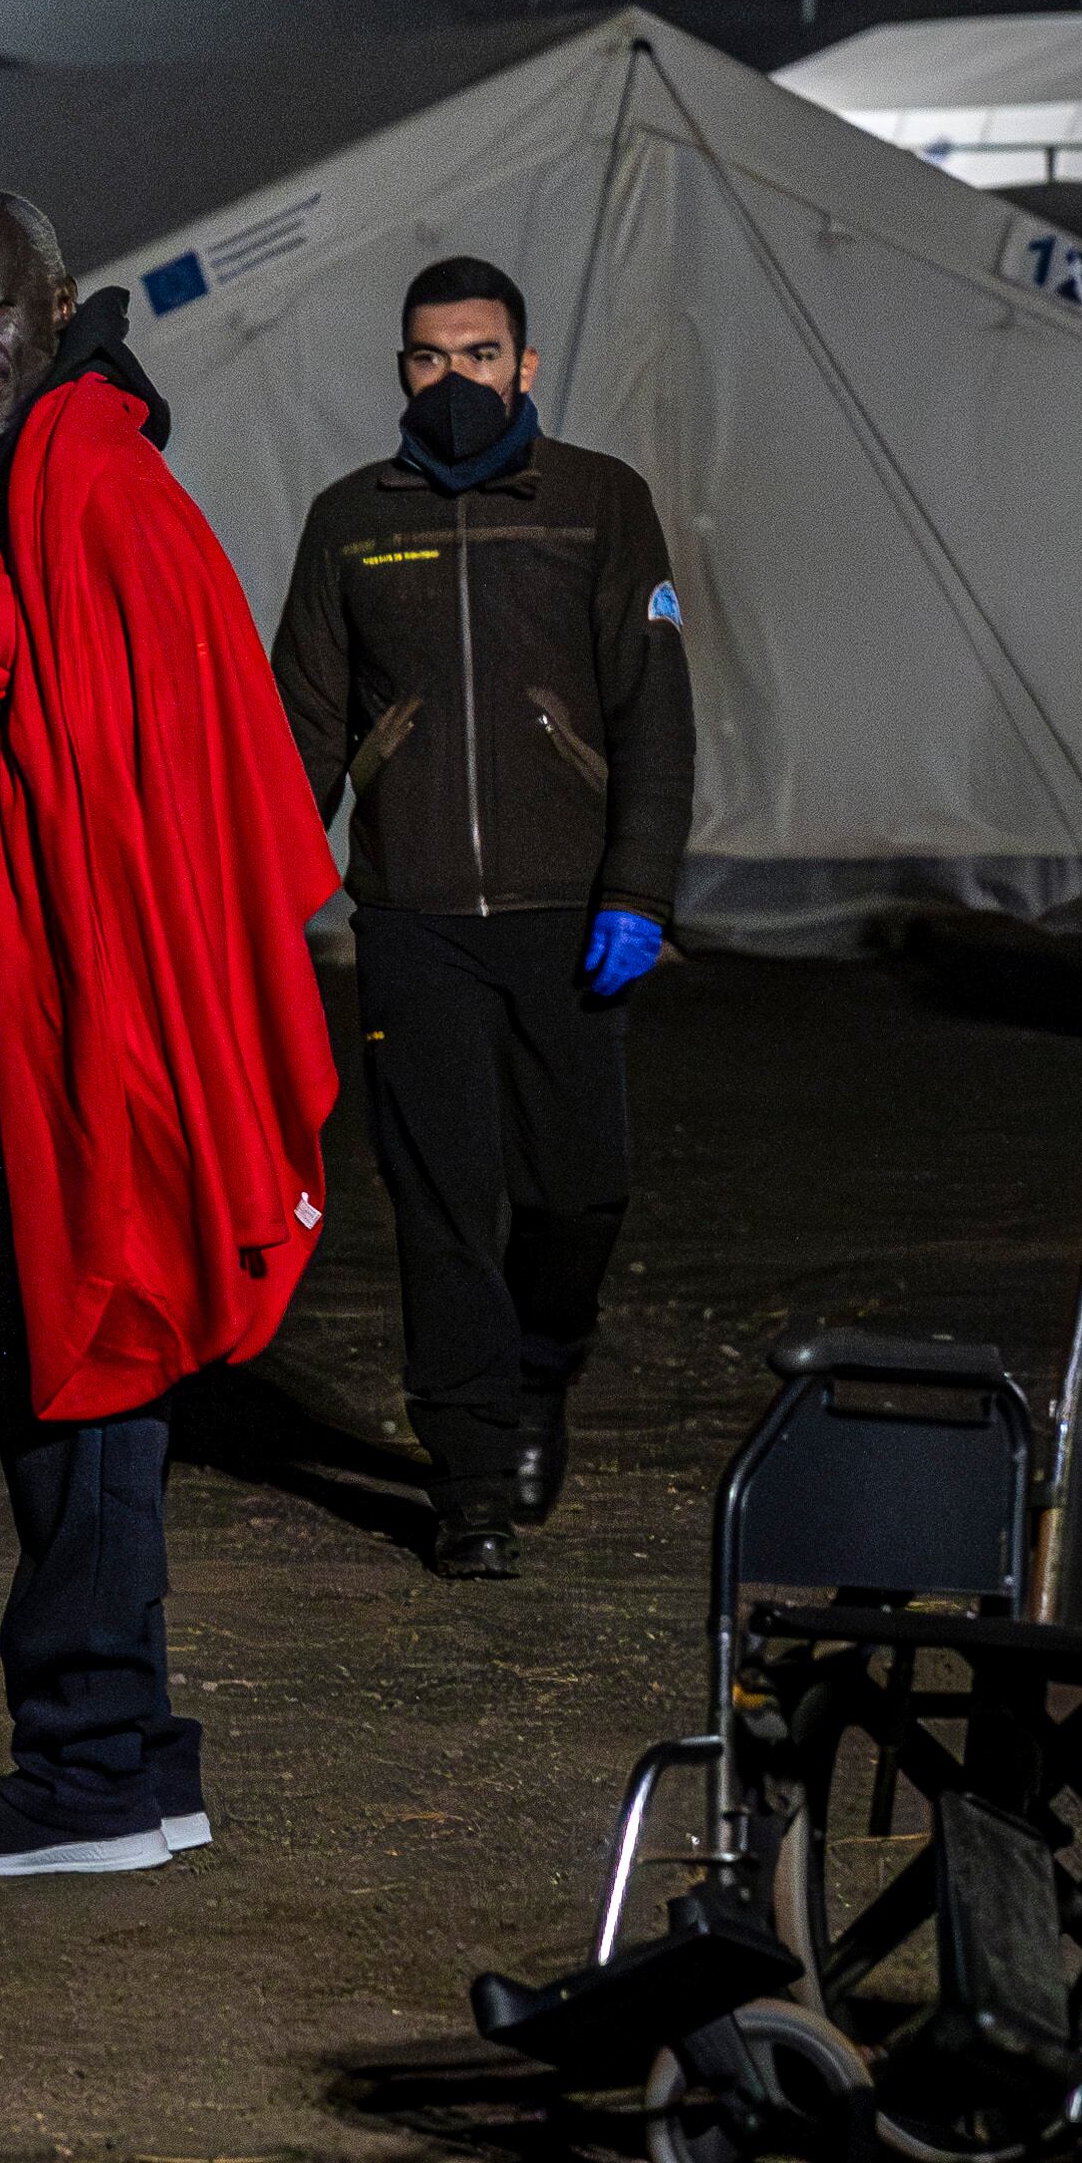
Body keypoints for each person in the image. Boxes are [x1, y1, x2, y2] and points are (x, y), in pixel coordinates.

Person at [0, 191, 340, 1876]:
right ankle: (124, 1752)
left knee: (89, 1353)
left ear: (58, 300)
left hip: (94, 1002)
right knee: (46, 1362)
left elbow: (91, 761)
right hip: (23, 990)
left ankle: (94, 1766)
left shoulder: (98, 483)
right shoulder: (0, 475)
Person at [266, 257, 694, 1580]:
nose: (455, 379)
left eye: (480, 353)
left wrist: (636, 892)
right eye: (430, 357)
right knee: (442, 1202)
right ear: (400, 368)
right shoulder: (350, 522)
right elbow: (301, 731)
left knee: (582, 1188)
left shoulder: (599, 504)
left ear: (527, 364)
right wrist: (267, 895)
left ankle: (541, 1373)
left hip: (568, 914)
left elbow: (653, 717)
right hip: (414, 919)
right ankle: (471, 1477)